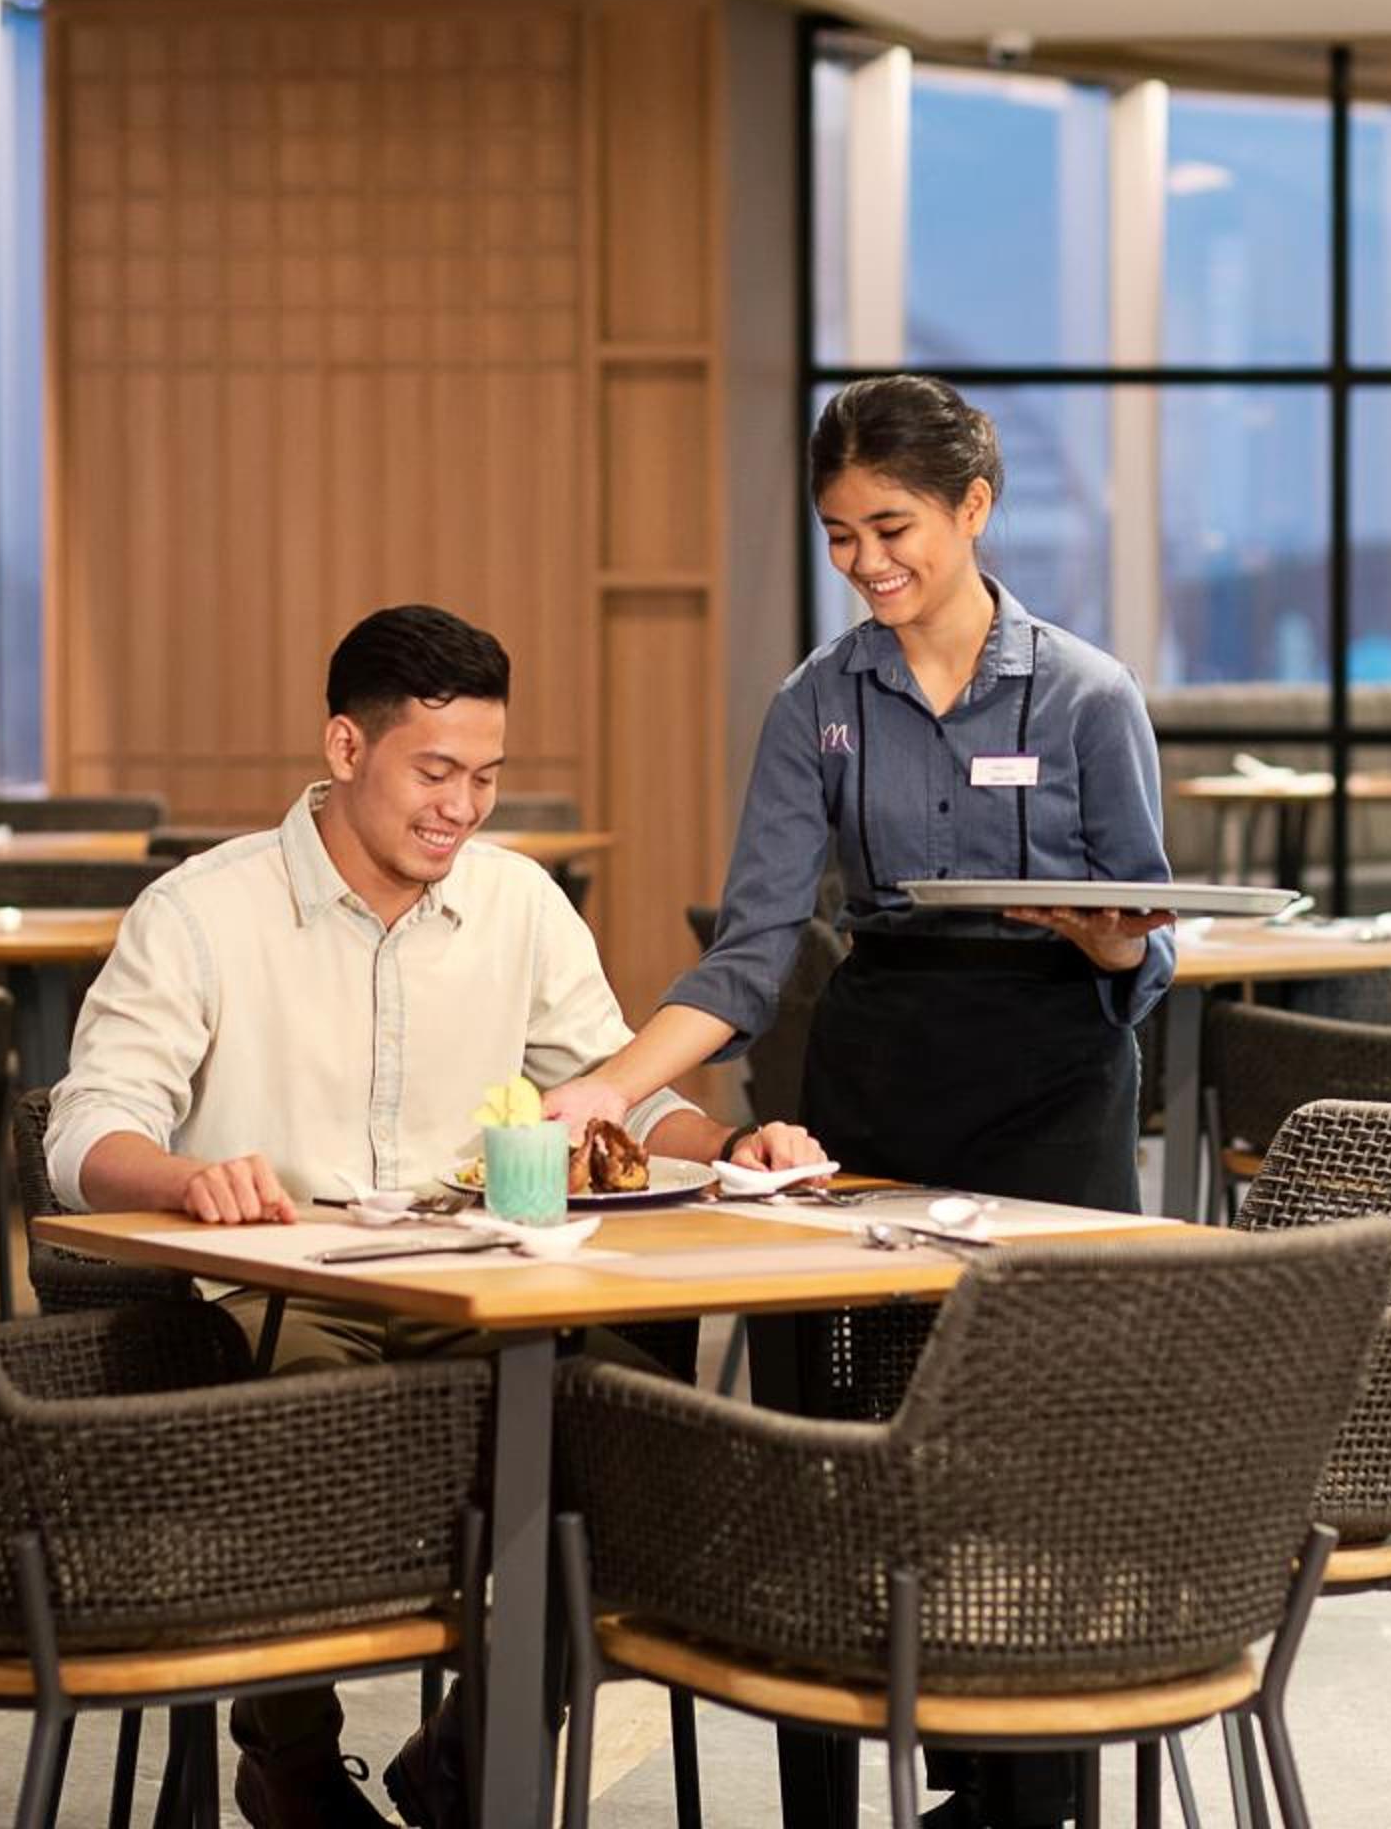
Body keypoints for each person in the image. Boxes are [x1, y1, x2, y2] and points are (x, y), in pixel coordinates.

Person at [46, 602, 818, 1829]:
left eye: (486, 777)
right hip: (281, 1295)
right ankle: (290, 1763)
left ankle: (467, 1759)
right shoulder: (200, 912)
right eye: (436, 771)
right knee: (311, 1424)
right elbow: (84, 1131)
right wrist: (185, 1178)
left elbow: (619, 1094)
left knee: (653, 1450)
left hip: (485, 1291)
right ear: (346, 746)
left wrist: (734, 1148)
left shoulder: (520, 904)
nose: (462, 806)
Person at [542, 373, 1178, 1829]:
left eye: (893, 528)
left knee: (1029, 1450)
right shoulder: (816, 704)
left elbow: (1147, 938)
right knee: (837, 1450)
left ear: (975, 506)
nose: (866, 562)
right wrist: (611, 1088)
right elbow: (753, 950)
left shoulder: (1088, 694)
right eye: (840, 536)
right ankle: (829, 1788)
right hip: (874, 1078)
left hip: (1055, 1082)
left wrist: (1110, 943)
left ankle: (1018, 1800)